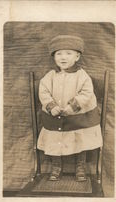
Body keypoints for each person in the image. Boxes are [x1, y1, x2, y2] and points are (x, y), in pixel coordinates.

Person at [37, 35, 103, 181]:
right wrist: (51, 106)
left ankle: (80, 168)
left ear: (77, 56)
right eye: (58, 54)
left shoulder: (82, 76)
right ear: (54, 57)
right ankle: (56, 167)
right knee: (55, 139)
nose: (63, 57)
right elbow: (44, 91)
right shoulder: (50, 76)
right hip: (55, 116)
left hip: (78, 117)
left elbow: (87, 93)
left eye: (68, 53)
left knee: (80, 139)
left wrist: (72, 107)